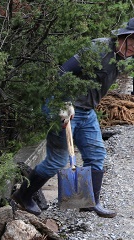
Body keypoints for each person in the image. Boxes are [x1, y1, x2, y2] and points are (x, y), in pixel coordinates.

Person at [12, 18, 134, 218]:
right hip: (63, 106)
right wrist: (63, 102)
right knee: (57, 161)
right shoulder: (98, 48)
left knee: (97, 156)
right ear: (125, 36)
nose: (133, 52)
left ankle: (90, 201)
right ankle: (24, 195)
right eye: (133, 45)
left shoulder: (121, 57)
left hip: (86, 111)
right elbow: (63, 71)